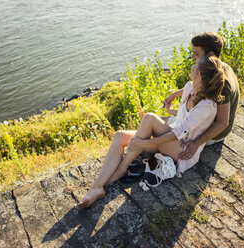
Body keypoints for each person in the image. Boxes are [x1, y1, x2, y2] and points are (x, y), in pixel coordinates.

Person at [77, 55, 225, 209]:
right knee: (120, 136)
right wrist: (171, 108)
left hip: (182, 150)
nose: (192, 65)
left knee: (149, 118)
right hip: (169, 141)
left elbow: (179, 132)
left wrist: (144, 142)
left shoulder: (207, 105)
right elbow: (184, 118)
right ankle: (97, 187)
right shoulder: (190, 88)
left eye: (195, 64)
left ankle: (122, 168)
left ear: (199, 73)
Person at [170, 31, 240, 160]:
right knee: (163, 121)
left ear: (211, 54)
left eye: (196, 54)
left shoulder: (223, 84)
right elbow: (196, 85)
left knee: (161, 132)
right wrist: (176, 94)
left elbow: (222, 122)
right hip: (203, 122)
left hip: (212, 135)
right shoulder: (218, 68)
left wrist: (197, 143)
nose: (192, 57)